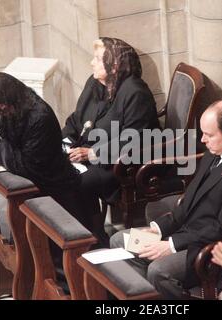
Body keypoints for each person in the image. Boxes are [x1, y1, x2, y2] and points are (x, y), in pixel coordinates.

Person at [110, 100, 222, 299]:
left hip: (205, 249)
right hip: (184, 233)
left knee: (158, 271)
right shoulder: (214, 152)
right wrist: (159, 229)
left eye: (208, 134)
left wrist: (171, 245)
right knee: (118, 240)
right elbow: (189, 199)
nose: (203, 140)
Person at [61, 37, 159, 242]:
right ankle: (76, 233)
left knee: (75, 183)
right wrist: (64, 143)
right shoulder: (94, 83)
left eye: (97, 59)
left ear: (114, 66)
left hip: (121, 163)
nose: (92, 63)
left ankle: (92, 237)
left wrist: (92, 154)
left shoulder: (135, 92)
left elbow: (136, 139)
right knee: (57, 173)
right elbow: (77, 118)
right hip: (90, 153)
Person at [0, 72, 82, 219]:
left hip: (52, 190)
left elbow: (26, 168)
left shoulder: (39, 117)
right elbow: (6, 145)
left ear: (5, 103)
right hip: (33, 183)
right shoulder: (11, 109)